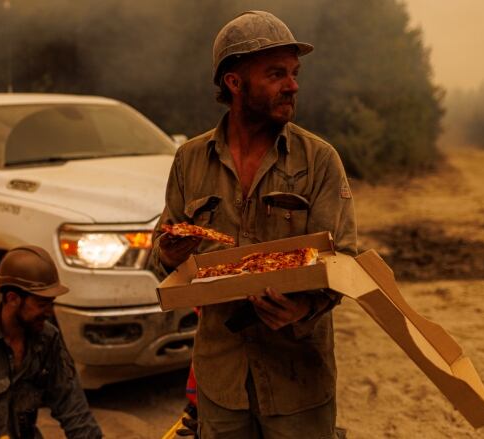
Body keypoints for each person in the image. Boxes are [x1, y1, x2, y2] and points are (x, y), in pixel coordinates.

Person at [149, 10, 357, 439]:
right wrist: (167, 255)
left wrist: (304, 309)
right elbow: (163, 254)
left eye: (295, 73)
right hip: (221, 380)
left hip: (298, 379)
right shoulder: (190, 160)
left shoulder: (318, 161)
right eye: (277, 73)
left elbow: (345, 262)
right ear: (234, 82)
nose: (293, 85)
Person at [0, 245, 103, 439]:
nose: (49, 312)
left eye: (51, 303)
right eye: (42, 304)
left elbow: (73, 408)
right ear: (13, 298)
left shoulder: (48, 339)